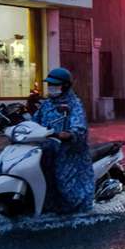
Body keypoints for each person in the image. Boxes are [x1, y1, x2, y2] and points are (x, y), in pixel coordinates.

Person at [32, 68, 93, 214]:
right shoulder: (46, 104)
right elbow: (34, 121)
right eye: (49, 85)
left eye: (55, 85)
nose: (51, 88)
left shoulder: (74, 104)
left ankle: (77, 212)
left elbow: (79, 126)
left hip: (68, 153)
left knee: (66, 187)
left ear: (65, 86)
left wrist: (70, 134)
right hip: (46, 150)